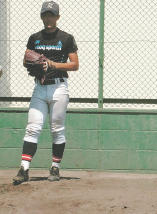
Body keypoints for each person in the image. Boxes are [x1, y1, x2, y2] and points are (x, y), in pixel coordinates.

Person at [13, 1, 79, 185]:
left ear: (58, 17)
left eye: (52, 14)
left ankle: (55, 167)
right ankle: (24, 168)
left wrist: (52, 64)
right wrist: (31, 63)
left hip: (59, 87)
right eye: (45, 14)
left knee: (57, 129)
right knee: (33, 127)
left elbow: (75, 64)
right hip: (40, 87)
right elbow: (26, 59)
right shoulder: (34, 38)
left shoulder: (66, 38)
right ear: (42, 16)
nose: (48, 18)